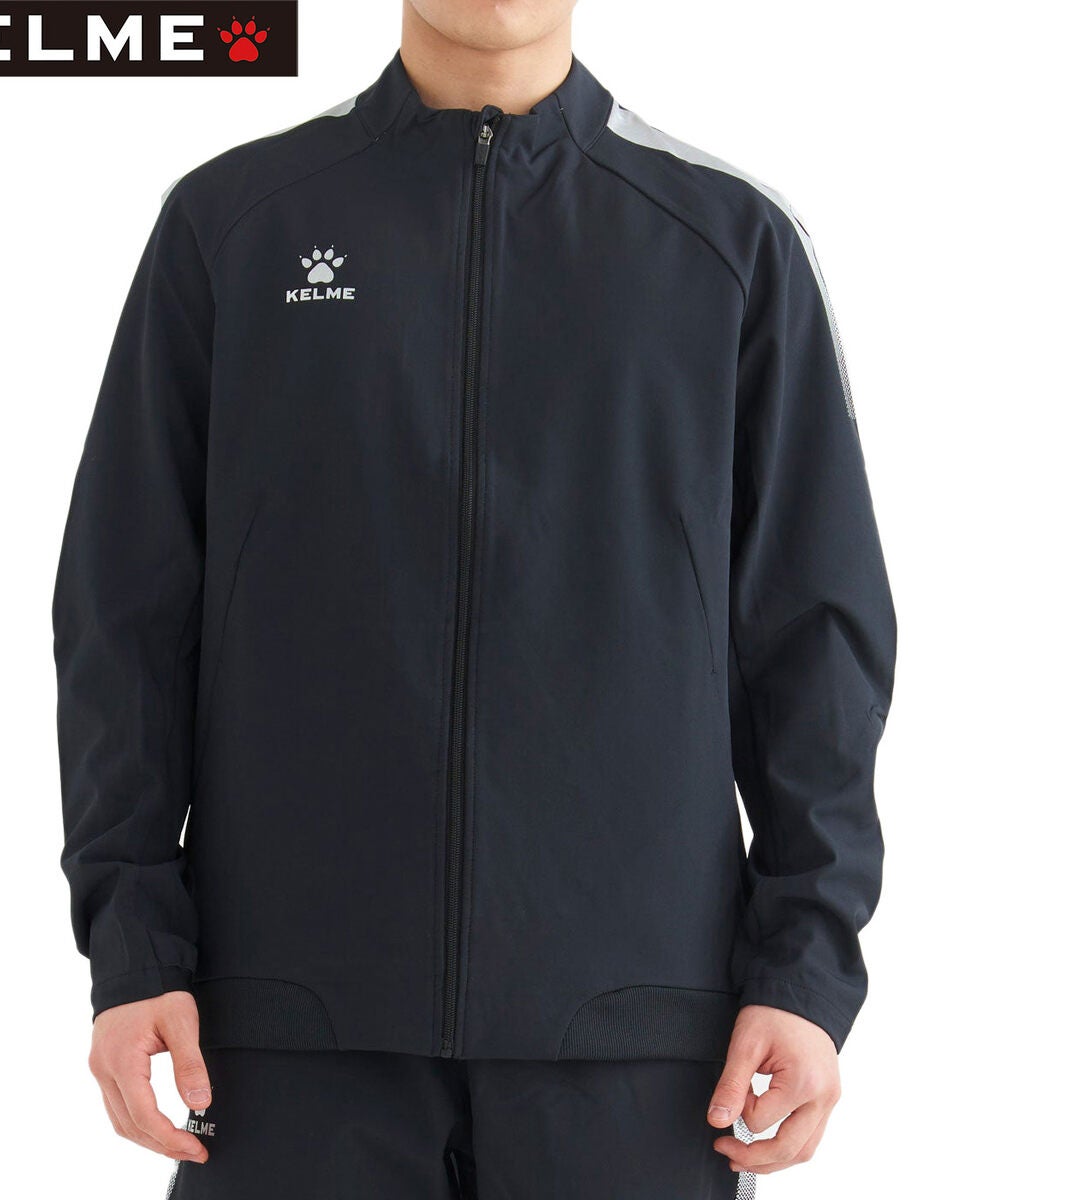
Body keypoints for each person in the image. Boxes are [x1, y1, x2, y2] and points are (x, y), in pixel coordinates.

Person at [52, 1, 896, 1195]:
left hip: (638, 1047)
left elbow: (816, 635)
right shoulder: (235, 223)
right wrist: (134, 947)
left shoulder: (729, 240)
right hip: (290, 1035)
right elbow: (126, 614)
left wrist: (804, 969)